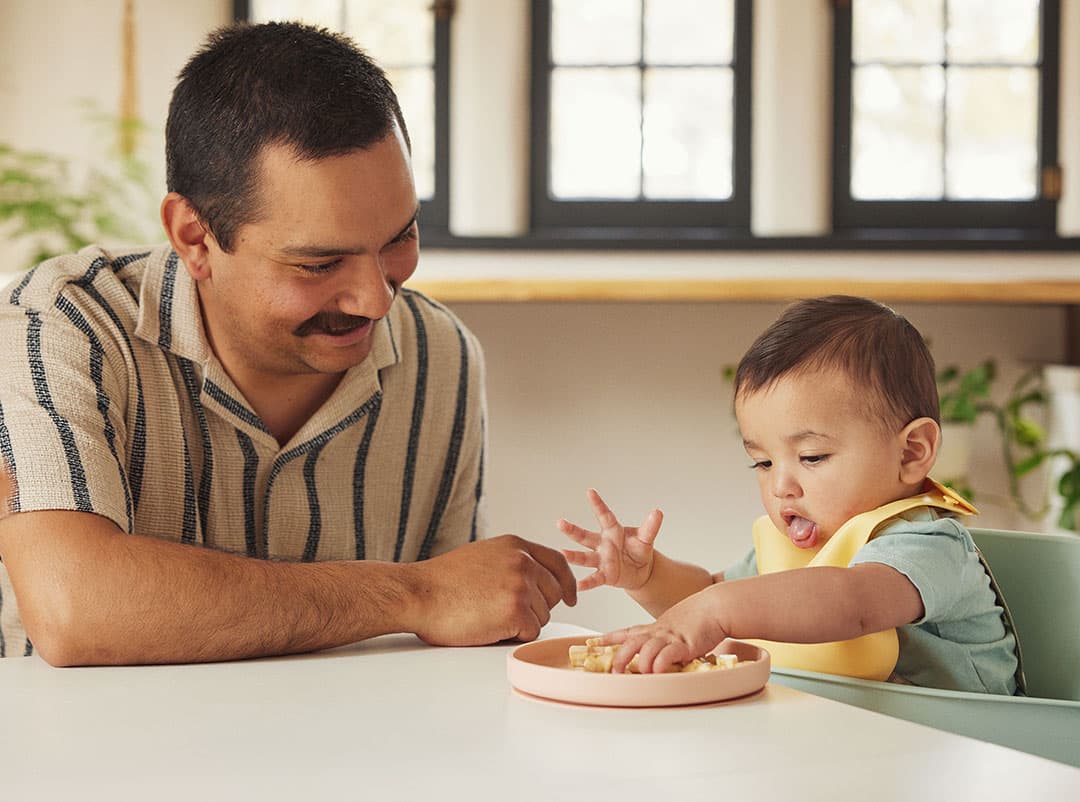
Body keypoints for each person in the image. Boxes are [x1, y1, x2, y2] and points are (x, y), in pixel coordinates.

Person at [0, 21, 575, 666]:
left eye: (399, 238)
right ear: (195, 238)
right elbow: (77, 610)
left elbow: (455, 633)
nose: (376, 300)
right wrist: (410, 593)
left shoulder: (442, 353)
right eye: (318, 263)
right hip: (100, 764)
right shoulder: (64, 326)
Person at [560, 295, 1022, 694]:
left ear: (911, 453)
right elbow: (708, 595)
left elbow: (850, 605)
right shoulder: (795, 552)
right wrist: (649, 576)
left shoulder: (930, 545)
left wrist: (717, 610)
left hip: (969, 755)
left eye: (813, 457)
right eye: (762, 463)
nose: (780, 486)